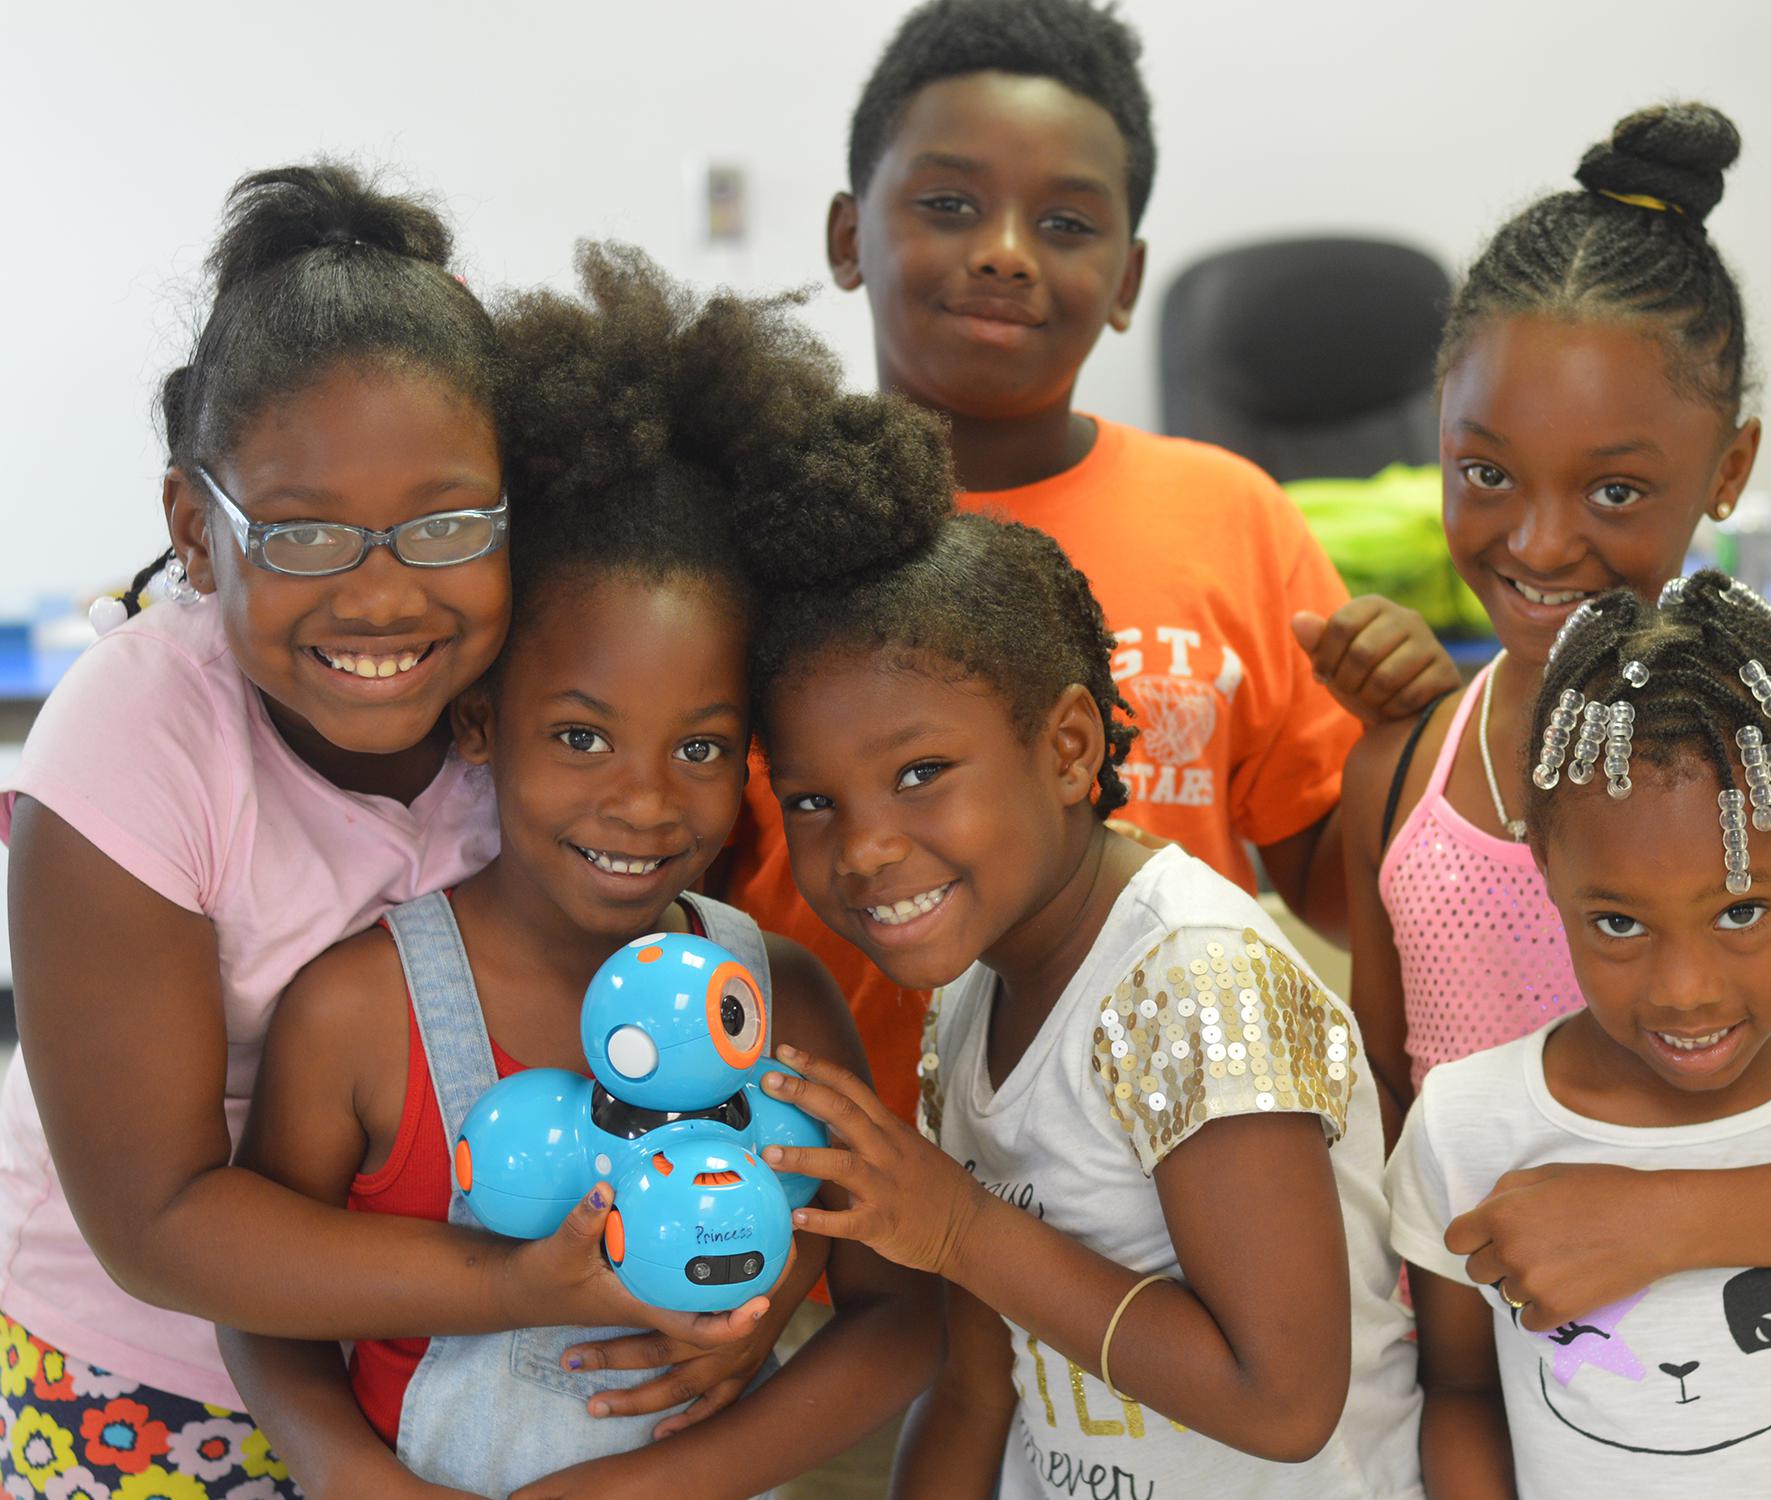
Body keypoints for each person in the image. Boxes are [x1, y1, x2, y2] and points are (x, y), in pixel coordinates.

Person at [0, 166, 758, 1494]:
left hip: (481, 1372)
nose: (379, 595)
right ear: (194, 529)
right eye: (300, 536)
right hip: (147, 1376)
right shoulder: (131, 741)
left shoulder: (555, 691)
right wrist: (517, 1289)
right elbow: (159, 1221)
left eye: (446, 524)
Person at [215, 247, 949, 1499]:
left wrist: (658, 1484)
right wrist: (349, 1474)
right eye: (580, 736)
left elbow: (898, 1316)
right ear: (480, 725)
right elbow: (258, 1299)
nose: (646, 802)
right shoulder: (353, 1017)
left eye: (703, 746)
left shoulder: (780, 1001)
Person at [723, 0, 1460, 1126]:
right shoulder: (748, 528)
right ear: (845, 233)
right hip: (823, 1196)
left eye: (1066, 223)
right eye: (949, 204)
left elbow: (1325, 887)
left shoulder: (1228, 515)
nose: (1005, 252)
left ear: (1126, 279)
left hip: (1155, 1205)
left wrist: (1398, 751)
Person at [1337, 103, 1771, 1330]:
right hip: (1500, 1422)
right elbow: (1387, 1144)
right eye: (1485, 471)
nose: (1538, 539)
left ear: (1729, 471)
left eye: (1616, 487)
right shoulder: (1396, 769)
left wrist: (1657, 1221)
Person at [745, 511, 1424, 1499]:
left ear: (1068, 748)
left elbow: (1283, 1402)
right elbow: (979, 1391)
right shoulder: (978, 985)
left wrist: (959, 1229)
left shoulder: (1193, 978)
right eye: (811, 800)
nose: (862, 848)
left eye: (919, 774)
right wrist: (958, 1235)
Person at [1387, 572, 1771, 1498]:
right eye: (1620, 924)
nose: (1684, 992)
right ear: (1545, 860)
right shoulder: (1462, 1130)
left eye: (1741, 909)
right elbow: (1463, 1394)